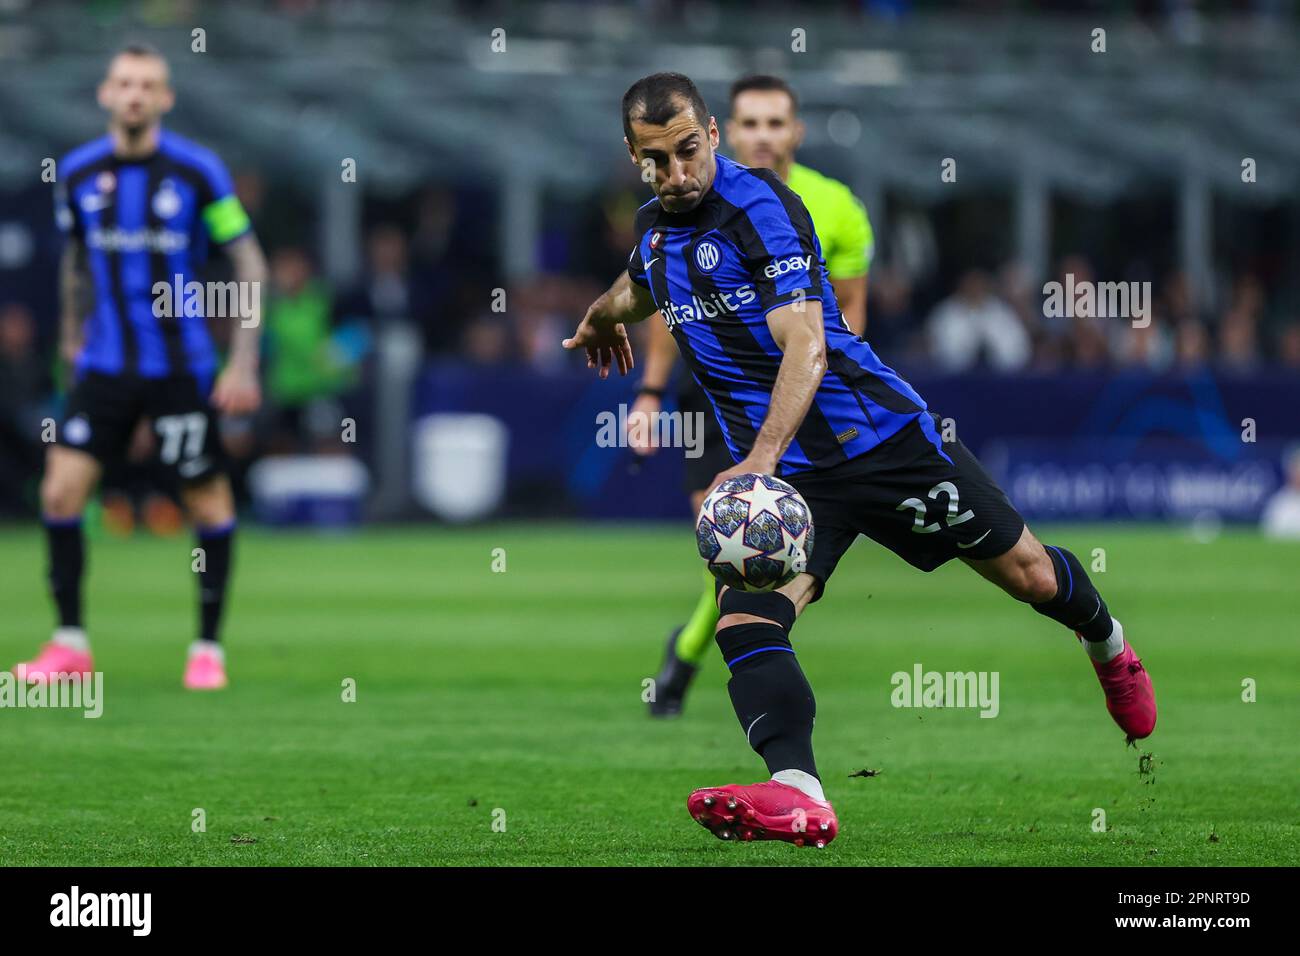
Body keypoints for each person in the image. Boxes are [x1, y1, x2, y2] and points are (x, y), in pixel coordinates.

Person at [563, 72, 1156, 849]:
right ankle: (798, 791)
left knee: (1031, 575)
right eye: (655, 162)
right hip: (800, 480)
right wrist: (602, 313)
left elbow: (806, 344)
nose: (676, 175)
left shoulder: (761, 208)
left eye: (686, 153)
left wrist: (760, 461)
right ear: (635, 159)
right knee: (745, 618)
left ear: (711, 135)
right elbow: (641, 282)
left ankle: (1108, 644)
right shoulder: (655, 228)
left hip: (876, 438)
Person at [12, 43, 267, 691]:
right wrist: (71, 338)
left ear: (164, 99)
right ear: (105, 93)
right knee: (60, 492)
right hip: (104, 365)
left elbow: (249, 262)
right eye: (124, 83)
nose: (134, 94)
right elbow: (75, 263)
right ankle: (70, 644)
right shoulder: (76, 173)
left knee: (206, 500)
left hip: (179, 366)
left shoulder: (198, 171)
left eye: (146, 85)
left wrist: (241, 363)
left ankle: (207, 648)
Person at [631, 75, 874, 717]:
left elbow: (848, 316)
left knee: (756, 554)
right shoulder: (686, 203)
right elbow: (661, 305)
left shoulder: (836, 207)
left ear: (795, 132)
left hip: (798, 395)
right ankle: (691, 655)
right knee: (729, 545)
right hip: (709, 396)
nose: (762, 135)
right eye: (750, 124)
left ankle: (688, 656)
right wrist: (651, 392)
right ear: (725, 132)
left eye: (775, 123)